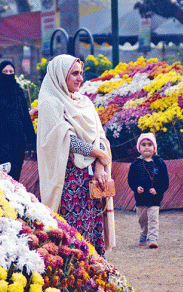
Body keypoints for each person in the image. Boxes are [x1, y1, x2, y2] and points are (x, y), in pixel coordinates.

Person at [37, 54, 112, 256]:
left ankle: (95, 278)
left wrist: (99, 166)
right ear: (60, 76)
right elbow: (66, 141)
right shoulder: (50, 104)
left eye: (81, 73)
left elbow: (100, 137)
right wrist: (97, 153)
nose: (80, 78)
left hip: (92, 181)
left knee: (93, 233)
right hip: (69, 182)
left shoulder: (84, 102)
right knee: (73, 237)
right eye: (75, 74)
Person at [0, 60, 36, 181]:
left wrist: (32, 140)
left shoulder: (18, 91)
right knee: (2, 176)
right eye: (5, 71)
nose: (8, 74)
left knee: (15, 176)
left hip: (17, 142)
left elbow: (25, 117)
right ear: (0, 72)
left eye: (11, 72)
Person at [128, 133, 169, 249]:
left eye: (149, 144)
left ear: (154, 147)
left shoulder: (160, 163)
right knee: (143, 219)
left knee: (153, 219)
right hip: (140, 199)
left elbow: (165, 181)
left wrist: (158, 190)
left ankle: (153, 238)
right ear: (139, 148)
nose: (146, 147)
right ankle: (144, 233)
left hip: (155, 198)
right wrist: (136, 187)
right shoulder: (135, 164)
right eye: (143, 145)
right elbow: (131, 180)